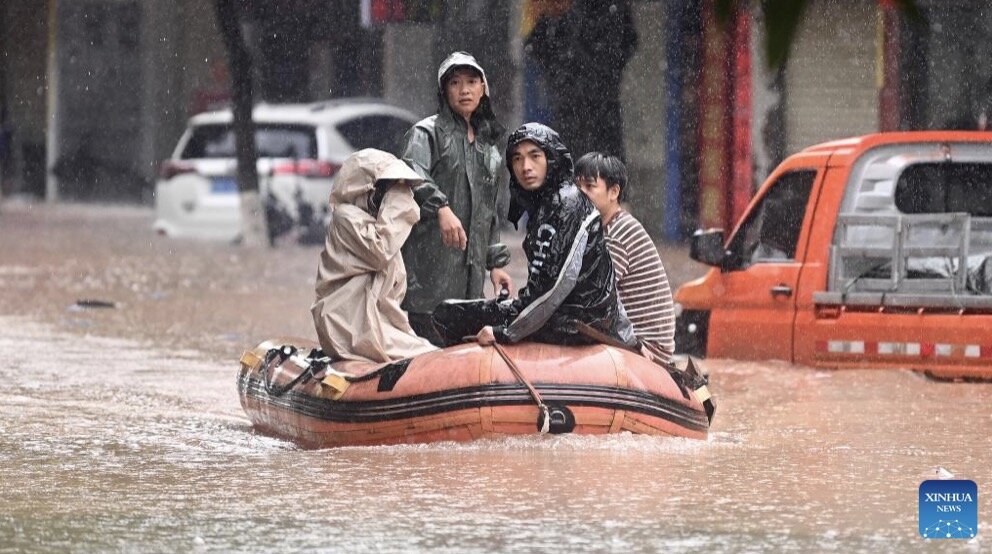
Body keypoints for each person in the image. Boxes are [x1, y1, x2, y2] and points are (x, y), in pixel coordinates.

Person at [432, 123, 637, 349]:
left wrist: (504, 332)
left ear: (552, 159)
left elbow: (555, 287)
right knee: (449, 312)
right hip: (563, 315)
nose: (525, 167)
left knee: (456, 318)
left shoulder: (568, 203)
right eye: (517, 159)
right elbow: (540, 282)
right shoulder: (545, 205)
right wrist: (512, 307)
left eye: (534, 156)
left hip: (582, 323)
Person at [400, 51, 513, 344]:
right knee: (426, 351)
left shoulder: (490, 149)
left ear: (483, 88)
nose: (464, 90)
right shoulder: (426, 133)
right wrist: (441, 208)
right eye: (455, 82)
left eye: (472, 82)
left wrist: (496, 264)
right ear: (444, 90)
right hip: (428, 272)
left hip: (470, 283)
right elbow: (412, 173)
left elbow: (490, 215)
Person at [311, 149, 438, 364]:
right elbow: (379, 251)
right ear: (365, 187)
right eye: (387, 187)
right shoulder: (346, 218)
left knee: (434, 355)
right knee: (430, 359)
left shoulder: (377, 223)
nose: (393, 193)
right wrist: (399, 203)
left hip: (375, 325)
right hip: (349, 327)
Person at [575, 152, 676, 365]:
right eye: (578, 187)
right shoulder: (604, 228)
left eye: (590, 187)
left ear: (613, 192)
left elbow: (594, 295)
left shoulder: (617, 234)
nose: (581, 194)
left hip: (647, 346)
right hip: (632, 337)